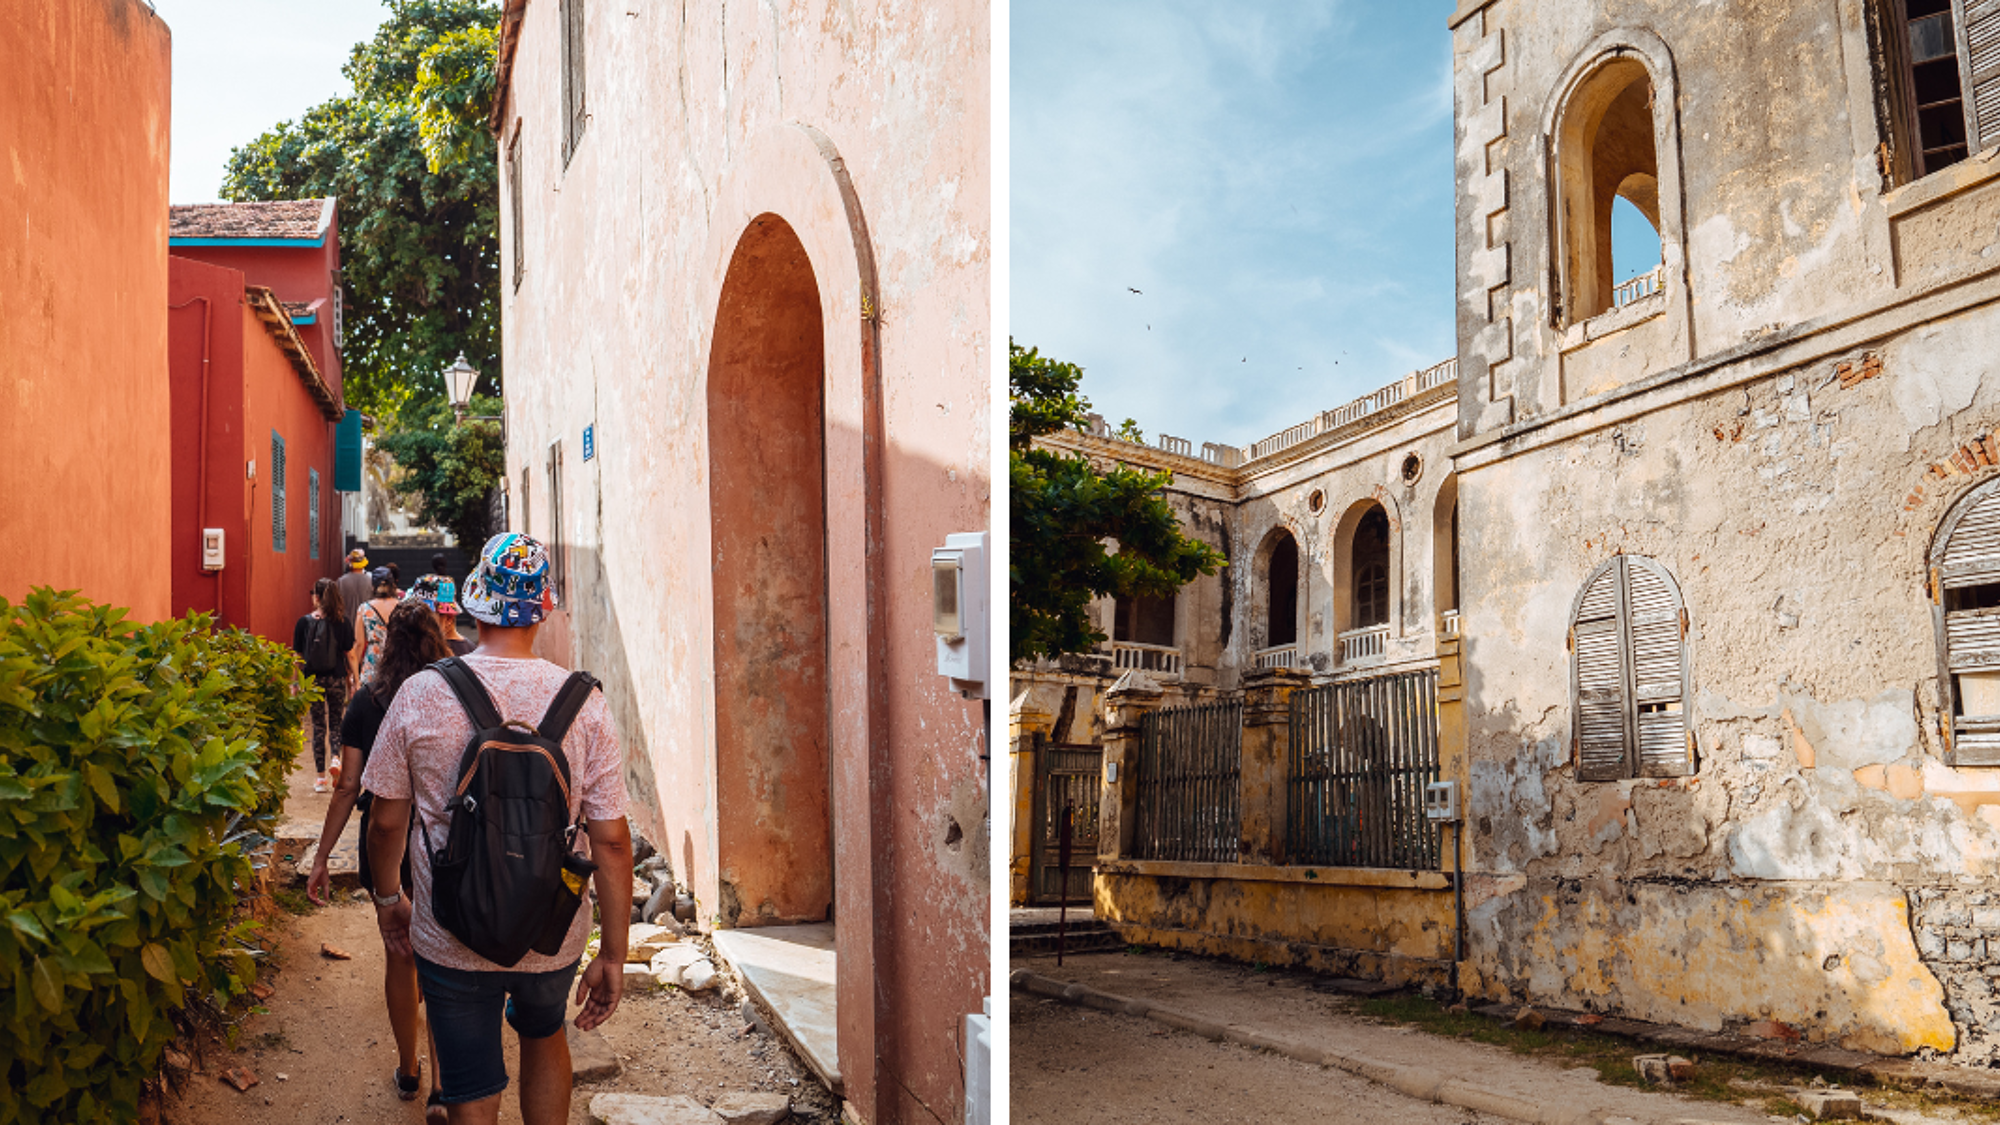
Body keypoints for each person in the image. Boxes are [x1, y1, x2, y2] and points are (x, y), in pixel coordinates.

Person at [363, 533, 632, 1125]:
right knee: (543, 1033)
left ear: (476, 602)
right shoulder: (584, 703)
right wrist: (613, 953)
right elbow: (611, 840)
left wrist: (389, 899)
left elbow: (386, 822)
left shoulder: (421, 693)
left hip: (450, 929)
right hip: (551, 932)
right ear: (545, 608)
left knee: (469, 1083)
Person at [306, 600, 452, 1103]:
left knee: (400, 953)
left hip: (384, 842)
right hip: (442, 839)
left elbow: (347, 785)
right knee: (441, 955)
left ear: (388, 644)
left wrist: (323, 855)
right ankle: (441, 1087)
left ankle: (409, 1071)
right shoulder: (453, 695)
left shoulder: (369, 700)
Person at [291, 578, 357, 794]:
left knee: (318, 726)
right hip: (336, 679)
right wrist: (355, 680)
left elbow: (297, 656)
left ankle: (320, 779)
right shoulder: (342, 622)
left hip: (313, 681)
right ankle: (336, 759)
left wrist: (295, 682)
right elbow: (351, 654)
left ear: (316, 597)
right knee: (336, 723)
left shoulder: (303, 622)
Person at [405, 574, 475, 656]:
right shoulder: (418, 644)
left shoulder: (466, 654)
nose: (417, 621)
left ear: (448, 618)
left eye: (425, 617)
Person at [352, 567, 400, 685]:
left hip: (373, 665)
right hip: (397, 663)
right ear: (393, 585)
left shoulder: (364, 608)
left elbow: (359, 644)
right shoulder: (403, 607)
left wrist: (354, 676)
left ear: (373, 586)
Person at [336, 547, 374, 623]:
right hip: (366, 623)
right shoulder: (371, 581)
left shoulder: (341, 582)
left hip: (346, 625)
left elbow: (337, 605)